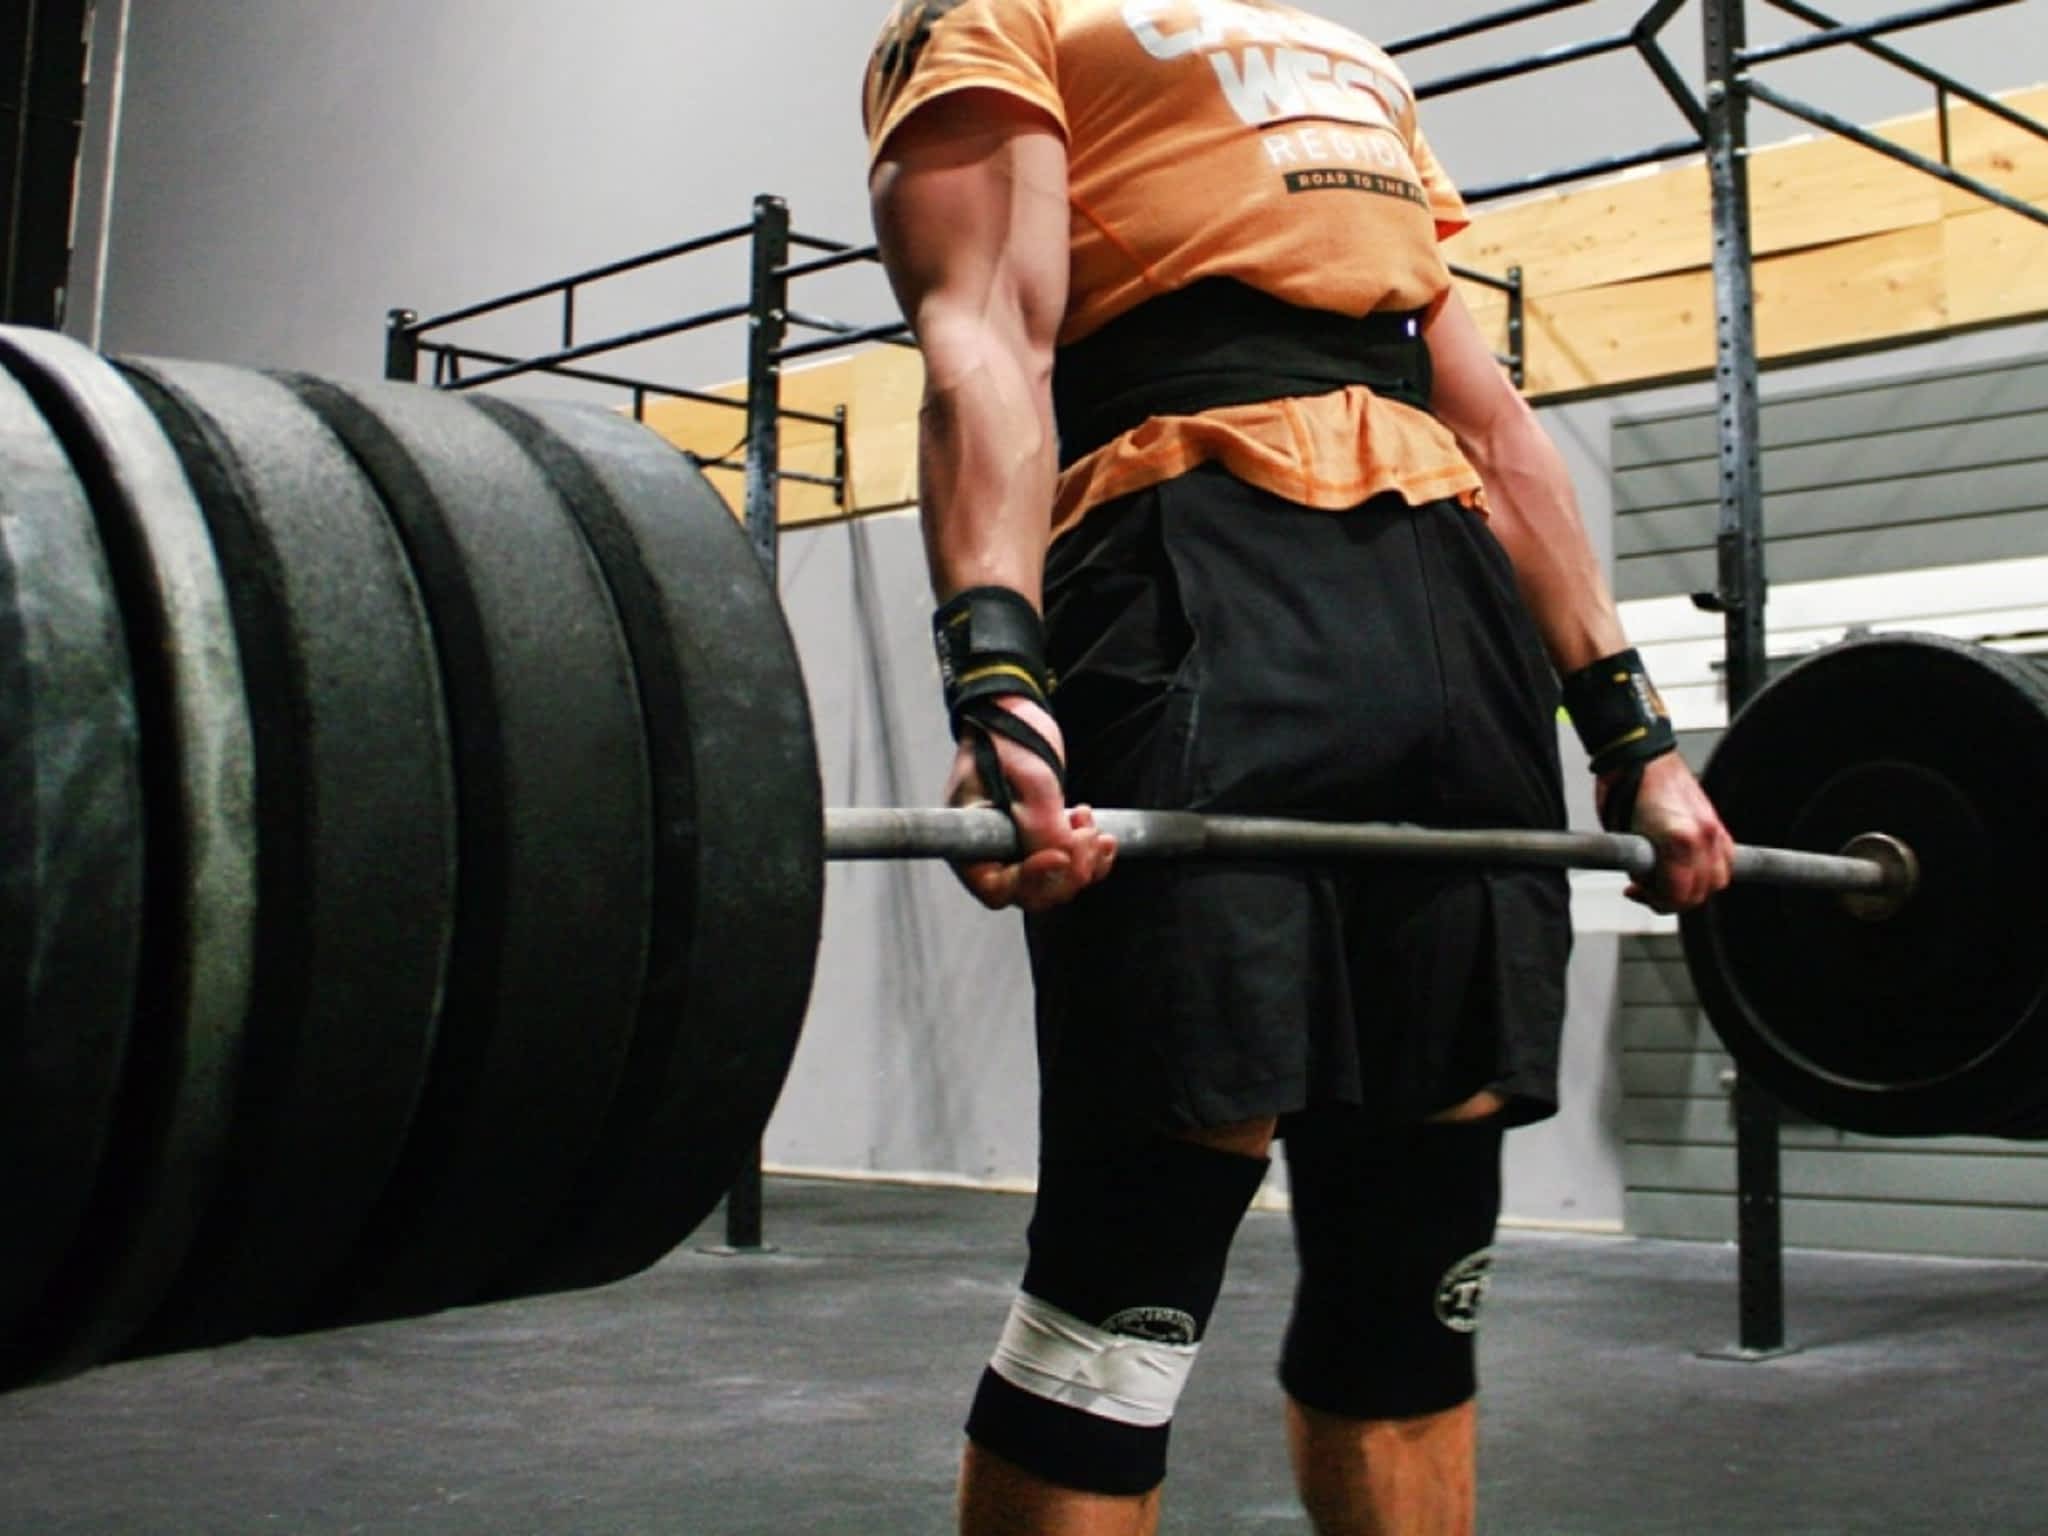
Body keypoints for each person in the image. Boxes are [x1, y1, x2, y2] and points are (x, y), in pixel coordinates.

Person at [860, 2, 1737, 1532]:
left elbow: (1489, 416)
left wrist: (1634, 735)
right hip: (1191, 574)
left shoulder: (1353, 58)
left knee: (1419, 1267)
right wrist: (1003, 678)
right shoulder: (1001, 14)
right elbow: (990, 324)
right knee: (1136, 1260)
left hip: (1449, 624)